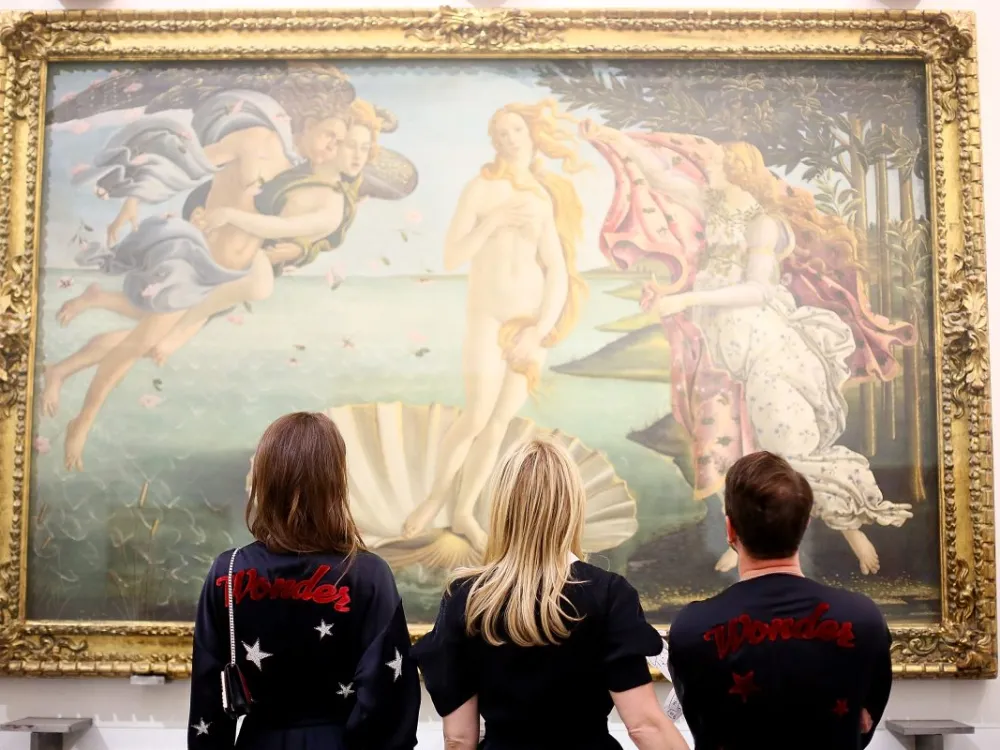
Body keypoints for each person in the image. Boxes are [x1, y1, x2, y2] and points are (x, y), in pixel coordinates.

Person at [581, 120, 913, 576]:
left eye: (717, 163)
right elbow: (660, 177)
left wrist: (685, 299)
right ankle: (740, 540)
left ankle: (853, 530)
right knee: (723, 439)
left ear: (738, 171)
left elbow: (757, 290)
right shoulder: (714, 205)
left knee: (784, 447)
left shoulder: (763, 223)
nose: (706, 169)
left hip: (761, 342)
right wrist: (614, 139)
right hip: (722, 341)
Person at [413, 438, 689, 750]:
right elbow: (644, 726)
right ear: (572, 506)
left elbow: (458, 738)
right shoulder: (609, 594)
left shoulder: (466, 597)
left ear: (502, 507)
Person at [401, 99, 589, 553]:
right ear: (494, 141)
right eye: (501, 133)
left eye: (517, 130)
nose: (510, 139)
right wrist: (495, 220)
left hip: (528, 323)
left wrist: (539, 329)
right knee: (477, 414)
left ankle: (464, 512)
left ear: (530, 135)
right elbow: (452, 256)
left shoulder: (541, 196)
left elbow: (556, 269)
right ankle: (435, 499)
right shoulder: (480, 190)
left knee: (500, 421)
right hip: (487, 316)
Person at [187, 412, 420, 749]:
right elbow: (387, 696)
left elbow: (208, 698)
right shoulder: (369, 574)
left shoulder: (228, 571)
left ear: (266, 479)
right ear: (335, 480)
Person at [667, 450, 893, 750]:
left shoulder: (692, 628)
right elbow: (864, 724)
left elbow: (699, 716)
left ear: (730, 530)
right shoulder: (864, 619)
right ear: (805, 525)